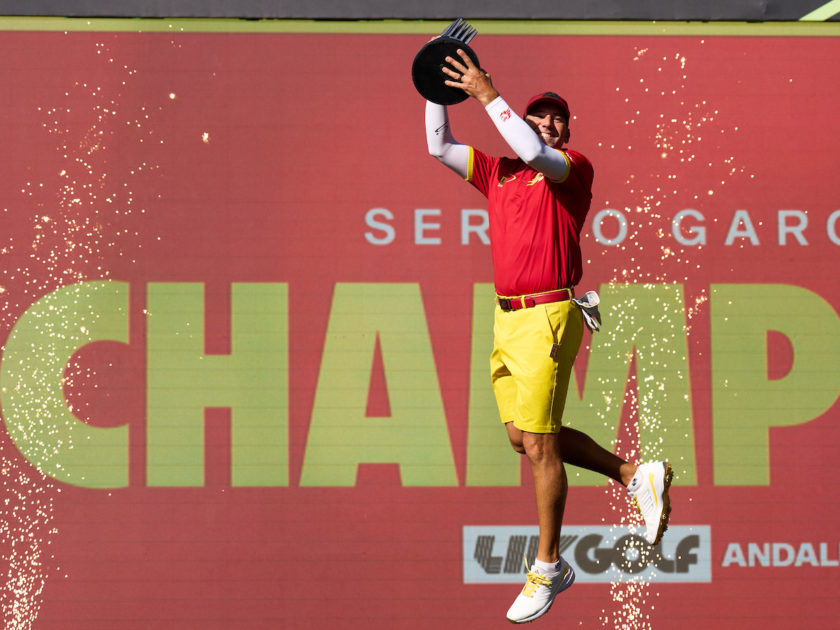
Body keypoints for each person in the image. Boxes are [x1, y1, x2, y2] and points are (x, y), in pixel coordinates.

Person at [424, 48, 673, 624]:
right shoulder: (499, 172)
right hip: (506, 318)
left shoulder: (570, 168)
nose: (549, 123)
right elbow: (438, 145)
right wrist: (433, 82)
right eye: (540, 115)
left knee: (538, 445)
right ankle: (635, 476)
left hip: (549, 316)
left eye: (558, 117)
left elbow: (536, 151)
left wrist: (487, 93)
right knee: (522, 436)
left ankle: (547, 564)